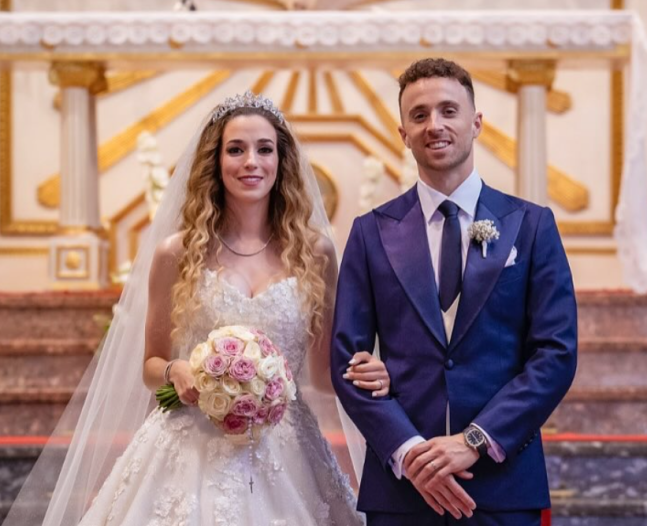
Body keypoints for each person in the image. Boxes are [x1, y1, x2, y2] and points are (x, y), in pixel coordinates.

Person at [4, 92, 390, 526]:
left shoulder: (314, 253)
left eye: (265, 149)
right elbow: (151, 365)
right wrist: (177, 371)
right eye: (236, 149)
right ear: (215, 160)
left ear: (282, 161)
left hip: (284, 446)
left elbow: (322, 375)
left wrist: (373, 372)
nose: (251, 162)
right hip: (192, 438)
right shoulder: (177, 253)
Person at [331, 58, 578, 526]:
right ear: (403, 133)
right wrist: (409, 452)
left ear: (476, 122)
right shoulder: (370, 232)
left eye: (449, 110)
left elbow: (555, 353)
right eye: (419, 115)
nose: (434, 125)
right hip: (402, 489)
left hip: (502, 485)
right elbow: (347, 360)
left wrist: (474, 440)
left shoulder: (531, 225)